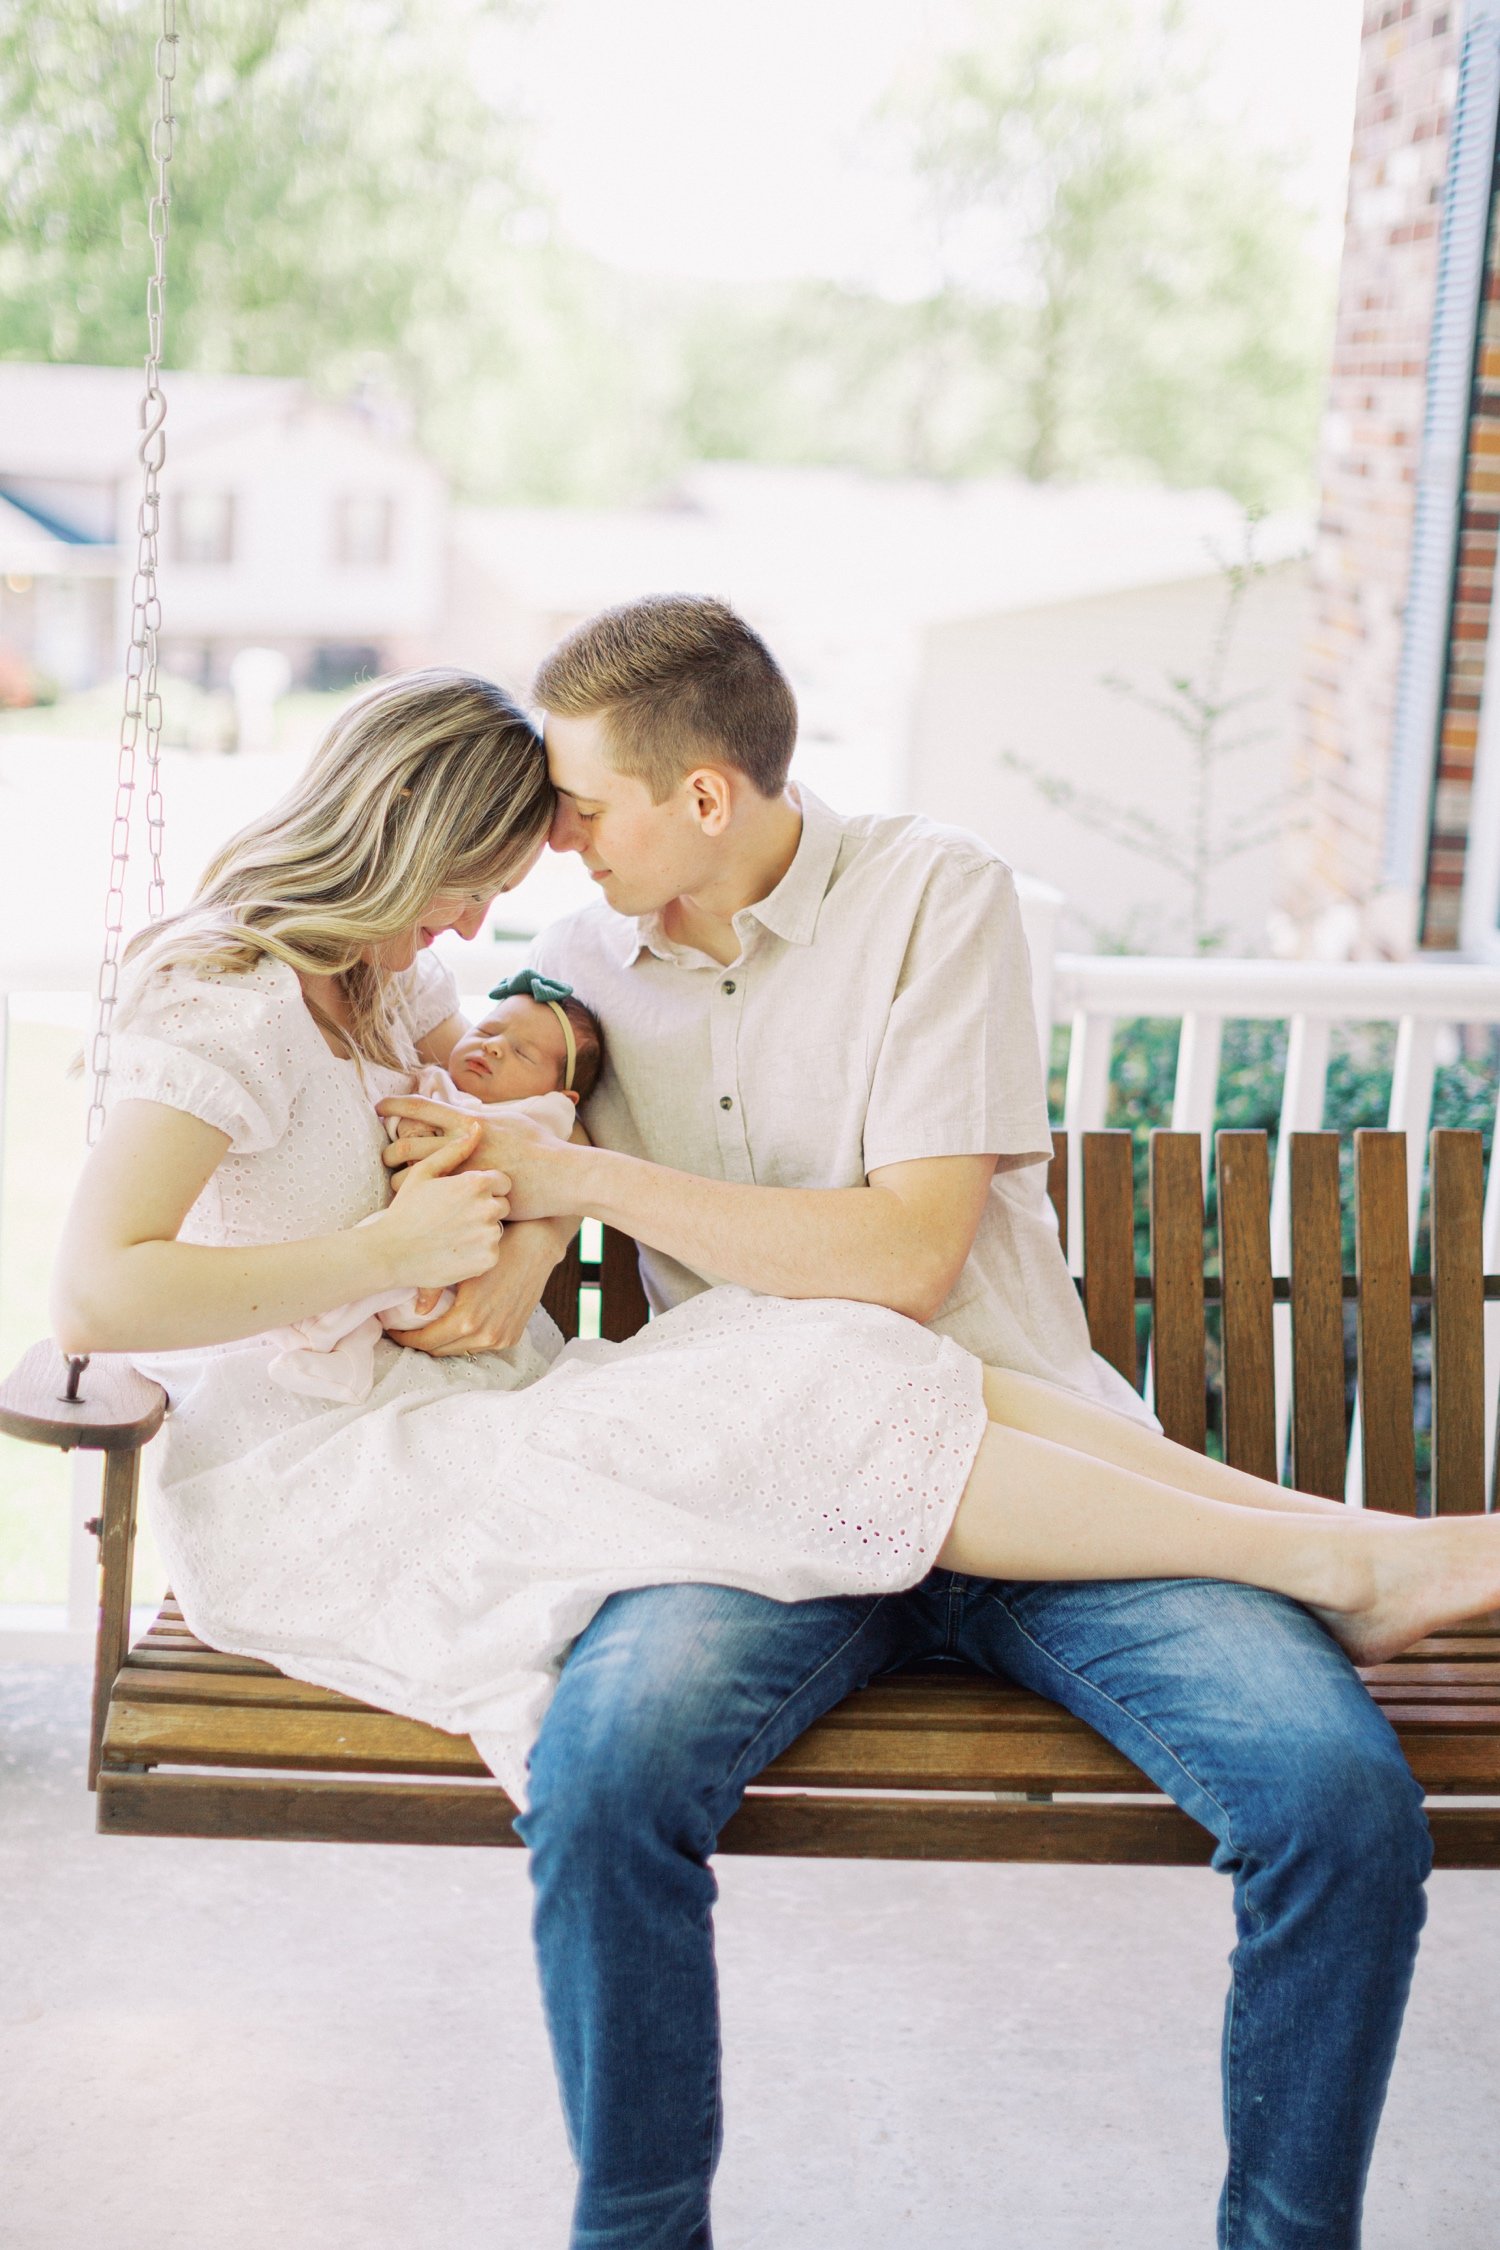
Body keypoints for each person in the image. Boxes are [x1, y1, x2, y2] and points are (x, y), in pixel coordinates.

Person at [374, 603, 1443, 2250]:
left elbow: (902, 1257)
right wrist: (517, 1147)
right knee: (598, 1780)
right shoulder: (586, 949)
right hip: (760, 1502)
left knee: (1336, 1800)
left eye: (584, 802)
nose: (552, 836)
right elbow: (520, 1052)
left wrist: (574, 1179)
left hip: (1043, 1488)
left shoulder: (938, 897)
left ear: (707, 798)